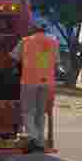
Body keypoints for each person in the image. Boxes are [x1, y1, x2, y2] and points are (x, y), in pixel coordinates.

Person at [10, 23, 60, 152]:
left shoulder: (26, 41)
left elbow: (14, 57)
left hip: (29, 80)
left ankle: (33, 135)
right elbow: (56, 62)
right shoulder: (54, 42)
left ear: (33, 30)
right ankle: (39, 140)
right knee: (40, 112)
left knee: (27, 110)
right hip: (47, 82)